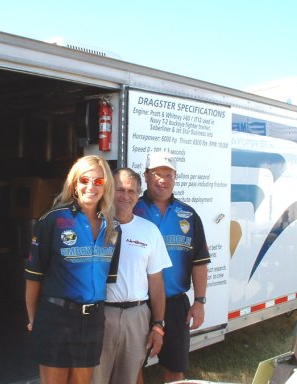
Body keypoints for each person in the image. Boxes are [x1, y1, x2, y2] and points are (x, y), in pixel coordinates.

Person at [24, 155, 120, 384]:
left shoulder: (113, 227)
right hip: (56, 317)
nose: (91, 187)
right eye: (85, 180)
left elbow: (107, 278)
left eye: (98, 182)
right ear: (74, 184)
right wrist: (33, 319)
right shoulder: (52, 221)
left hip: (93, 320)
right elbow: (34, 277)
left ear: (106, 185)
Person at [134, 152, 210, 383]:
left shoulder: (188, 214)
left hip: (175, 304)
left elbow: (200, 261)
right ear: (146, 176)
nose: (163, 179)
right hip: (138, 305)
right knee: (134, 366)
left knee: (175, 369)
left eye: (168, 174)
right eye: (157, 174)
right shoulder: (132, 209)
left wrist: (199, 301)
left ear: (175, 178)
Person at [92, 168, 172, 384]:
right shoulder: (95, 226)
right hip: (101, 314)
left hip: (137, 316)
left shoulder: (149, 231)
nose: (125, 196)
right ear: (110, 190)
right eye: (119, 189)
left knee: (128, 378)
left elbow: (156, 283)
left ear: (138, 195)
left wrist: (158, 325)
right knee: (95, 378)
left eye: (131, 191)